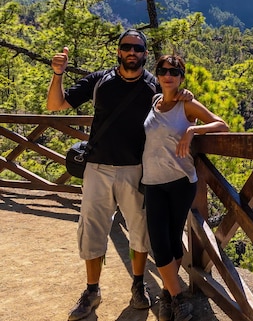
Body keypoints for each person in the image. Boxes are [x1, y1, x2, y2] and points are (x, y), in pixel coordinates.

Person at [47, 29, 190, 321]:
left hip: (136, 171)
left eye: (138, 48)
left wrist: (186, 96)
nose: (132, 53)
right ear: (118, 51)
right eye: (127, 47)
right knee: (92, 229)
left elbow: (177, 106)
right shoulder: (100, 81)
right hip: (97, 168)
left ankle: (138, 286)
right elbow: (55, 105)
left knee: (140, 232)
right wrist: (58, 74)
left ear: (145, 54)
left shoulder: (154, 86)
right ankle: (91, 291)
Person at [142, 54, 229, 321]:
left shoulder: (187, 105)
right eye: (163, 70)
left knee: (170, 239)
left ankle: (169, 296)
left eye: (174, 71)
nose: (168, 75)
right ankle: (177, 296)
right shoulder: (154, 102)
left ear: (181, 77)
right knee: (159, 242)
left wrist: (193, 131)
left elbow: (222, 126)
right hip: (152, 182)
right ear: (157, 75)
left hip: (181, 182)